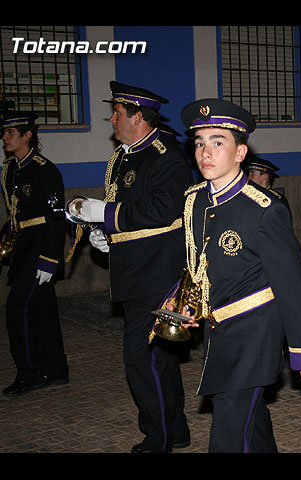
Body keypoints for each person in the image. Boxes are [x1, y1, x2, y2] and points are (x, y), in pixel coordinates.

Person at [174, 98, 301, 453]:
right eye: (199, 143)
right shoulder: (195, 201)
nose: (205, 152)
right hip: (218, 330)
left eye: (218, 142)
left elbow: (293, 284)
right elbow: (196, 264)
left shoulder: (264, 209)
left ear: (241, 152)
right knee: (250, 420)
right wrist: (185, 305)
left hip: (254, 334)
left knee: (228, 429)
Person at [73, 81, 193, 453]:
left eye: (118, 113)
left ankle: (156, 440)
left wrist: (102, 213)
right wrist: (106, 236)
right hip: (136, 269)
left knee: (141, 358)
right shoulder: (126, 155)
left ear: (138, 117)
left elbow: (161, 211)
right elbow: (131, 213)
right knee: (160, 358)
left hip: (157, 273)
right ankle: (175, 430)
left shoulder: (165, 155)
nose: (111, 119)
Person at [0, 111, 69, 396]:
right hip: (23, 247)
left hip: (40, 249)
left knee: (17, 310)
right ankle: (55, 370)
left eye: (11, 133)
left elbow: (56, 218)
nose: (5, 138)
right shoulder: (10, 169)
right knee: (43, 311)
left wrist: (49, 259)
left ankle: (29, 373)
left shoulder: (44, 169)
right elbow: (15, 212)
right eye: (3, 133)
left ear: (28, 135)